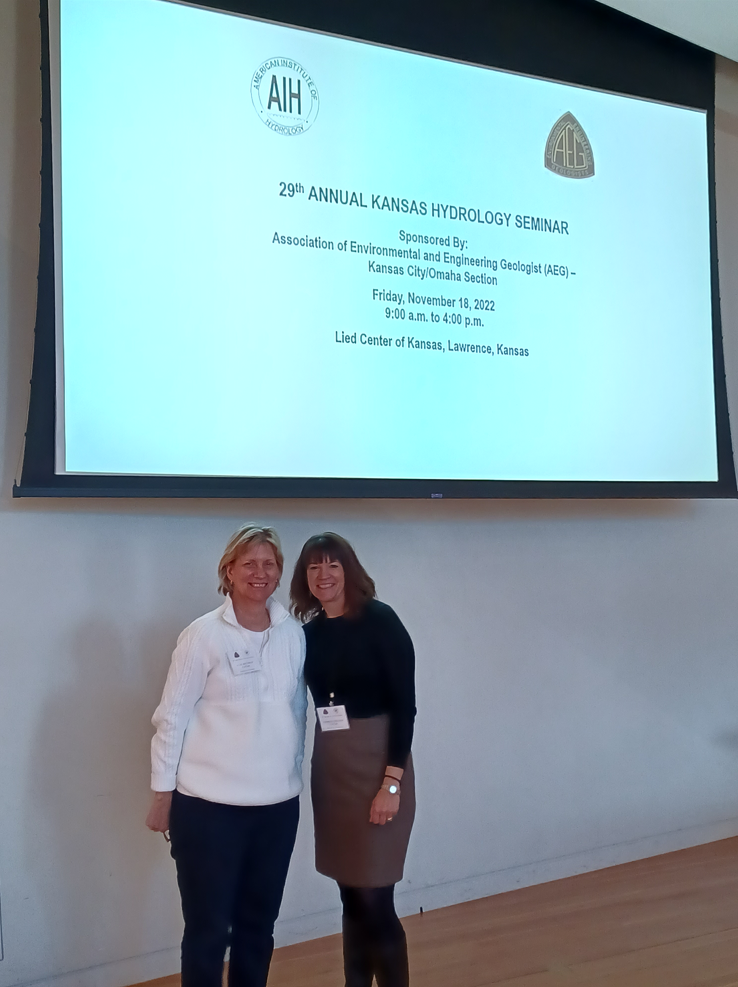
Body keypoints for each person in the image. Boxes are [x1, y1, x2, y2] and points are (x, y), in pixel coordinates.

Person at [145, 523, 307, 987]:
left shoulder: (294, 633)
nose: (260, 572)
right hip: (208, 810)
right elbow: (171, 717)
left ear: (279, 572)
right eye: (249, 563)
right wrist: (163, 795)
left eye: (269, 564)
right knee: (208, 931)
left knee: (258, 929)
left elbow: (297, 714)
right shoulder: (202, 635)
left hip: (277, 809)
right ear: (229, 571)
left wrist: (292, 775)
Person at [290, 532, 416, 987]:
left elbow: (405, 707)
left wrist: (392, 784)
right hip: (333, 772)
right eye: (314, 567)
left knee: (376, 900)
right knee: (351, 898)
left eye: (333, 565)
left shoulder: (382, 621)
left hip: (379, 770)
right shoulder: (306, 635)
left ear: (349, 570)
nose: (323, 575)